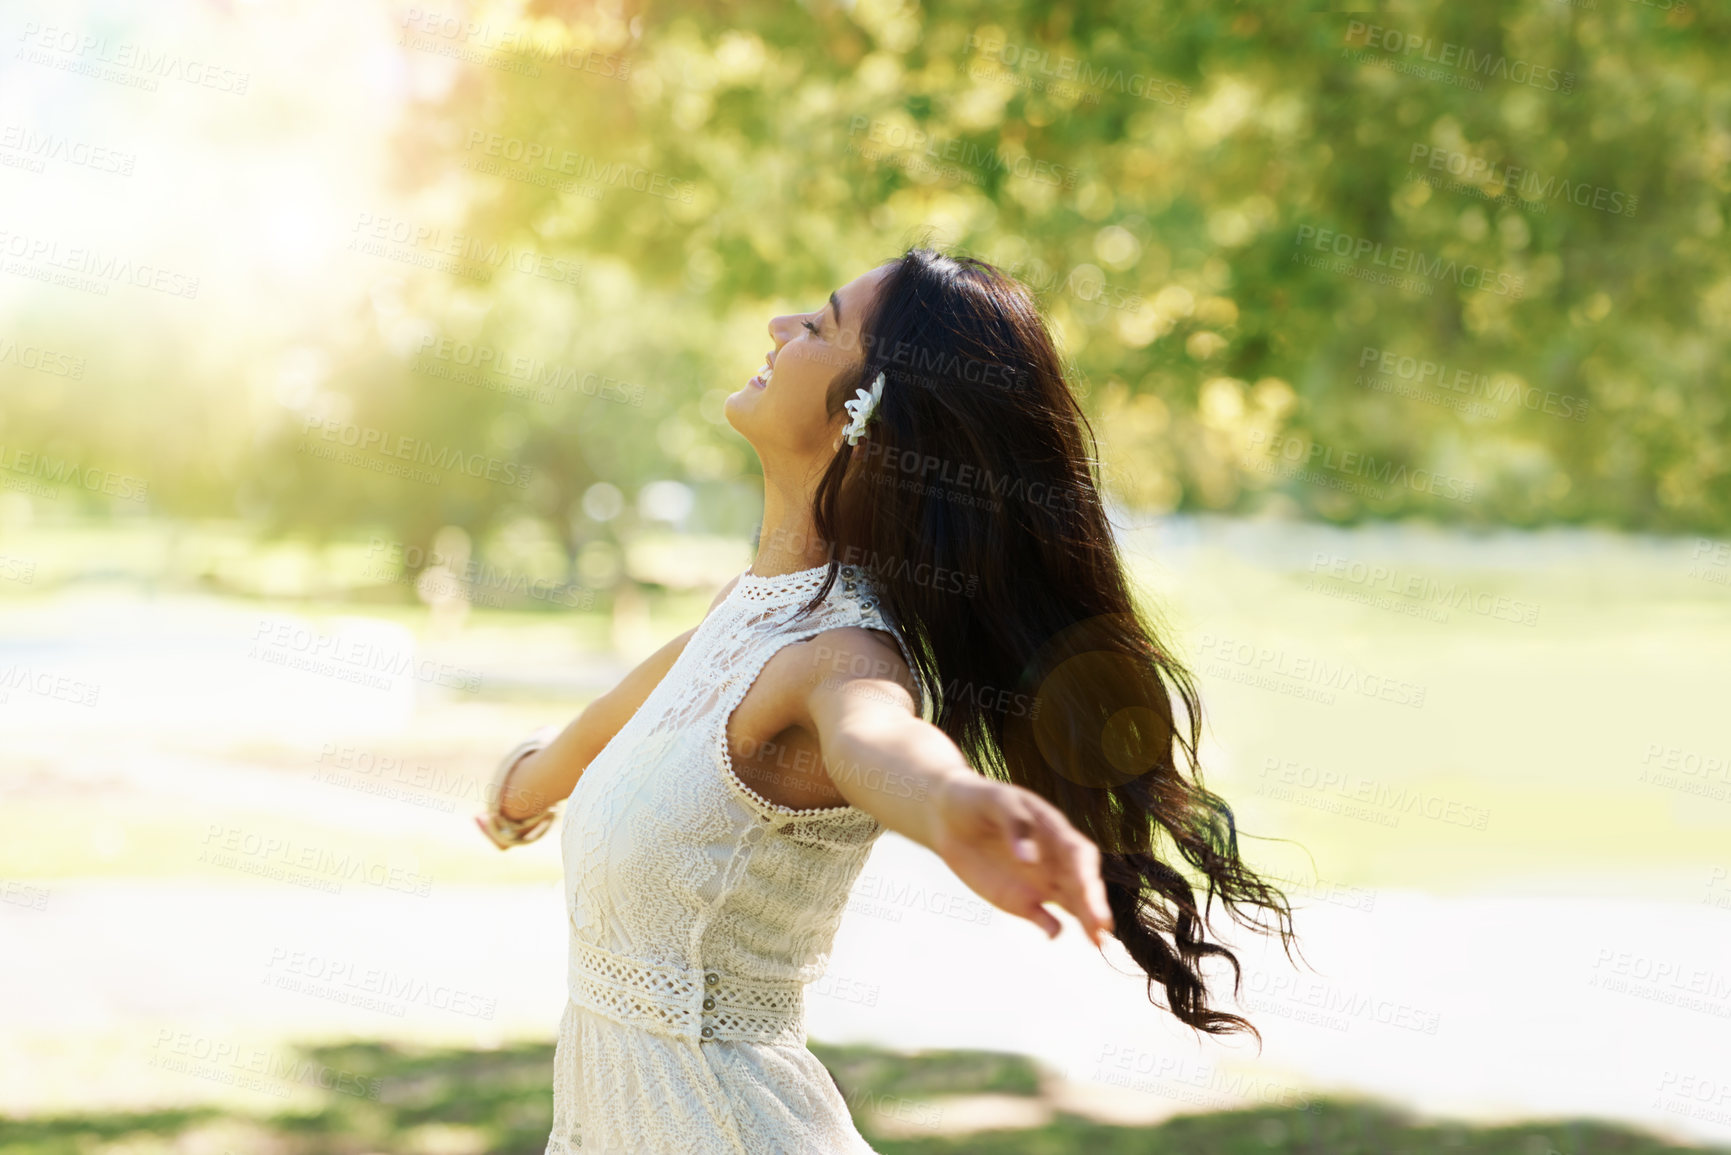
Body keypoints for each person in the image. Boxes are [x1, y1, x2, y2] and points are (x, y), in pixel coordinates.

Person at [476, 245, 1296, 1154]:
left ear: (866, 416)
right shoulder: (745, 619)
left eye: (820, 325)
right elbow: (601, 732)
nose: (779, 328)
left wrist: (951, 803)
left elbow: (879, 738)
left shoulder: (840, 654)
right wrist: (516, 798)